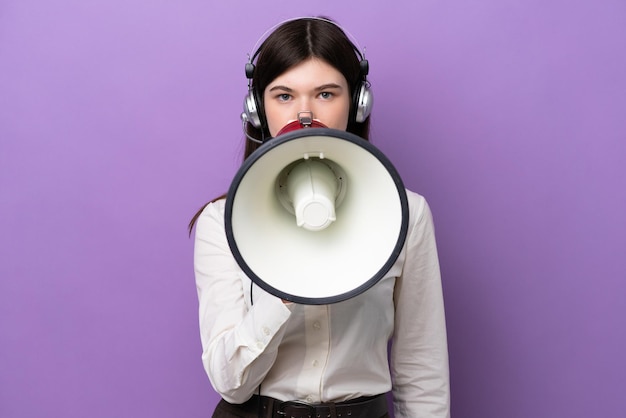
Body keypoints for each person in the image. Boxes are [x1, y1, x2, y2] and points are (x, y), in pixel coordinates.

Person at [191, 17, 450, 418]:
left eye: (326, 93)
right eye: (283, 96)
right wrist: (283, 283)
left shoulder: (407, 214)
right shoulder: (220, 223)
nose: (305, 113)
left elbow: (422, 370)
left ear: (358, 103)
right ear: (257, 110)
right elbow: (231, 383)